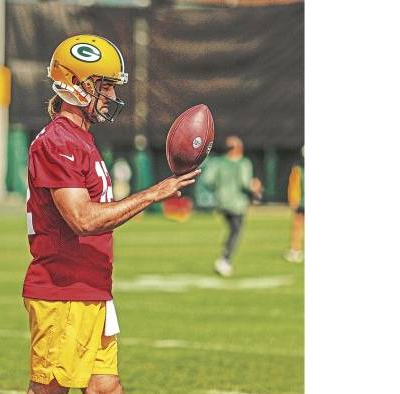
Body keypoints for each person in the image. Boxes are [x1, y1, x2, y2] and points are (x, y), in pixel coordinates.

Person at [22, 34, 200, 394]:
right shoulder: (59, 142)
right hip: (64, 290)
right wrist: (153, 194)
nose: (113, 98)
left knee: (105, 387)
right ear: (75, 85)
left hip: (91, 286)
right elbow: (82, 219)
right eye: (104, 87)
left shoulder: (82, 139)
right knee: (51, 390)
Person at [201, 136, 262, 277]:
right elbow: (245, 183)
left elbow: (208, 181)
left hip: (222, 203)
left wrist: (220, 189)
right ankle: (225, 260)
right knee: (235, 231)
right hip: (238, 204)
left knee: (232, 230)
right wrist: (255, 187)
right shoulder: (243, 163)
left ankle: (224, 258)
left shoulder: (217, 163)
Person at [284, 146, 304, 263]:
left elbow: (293, 186)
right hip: (302, 202)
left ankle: (296, 250)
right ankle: (296, 250)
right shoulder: (298, 169)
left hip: (301, 202)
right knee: (298, 226)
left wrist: (293, 200)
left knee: (297, 226)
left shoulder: (298, 169)